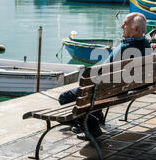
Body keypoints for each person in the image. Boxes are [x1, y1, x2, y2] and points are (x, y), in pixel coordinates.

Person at [58, 12, 150, 140]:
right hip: (123, 86)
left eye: (126, 24)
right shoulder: (145, 42)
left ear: (136, 29)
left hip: (106, 89)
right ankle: (95, 115)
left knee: (64, 97)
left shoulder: (127, 48)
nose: (122, 26)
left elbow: (103, 74)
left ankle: (91, 125)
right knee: (93, 90)